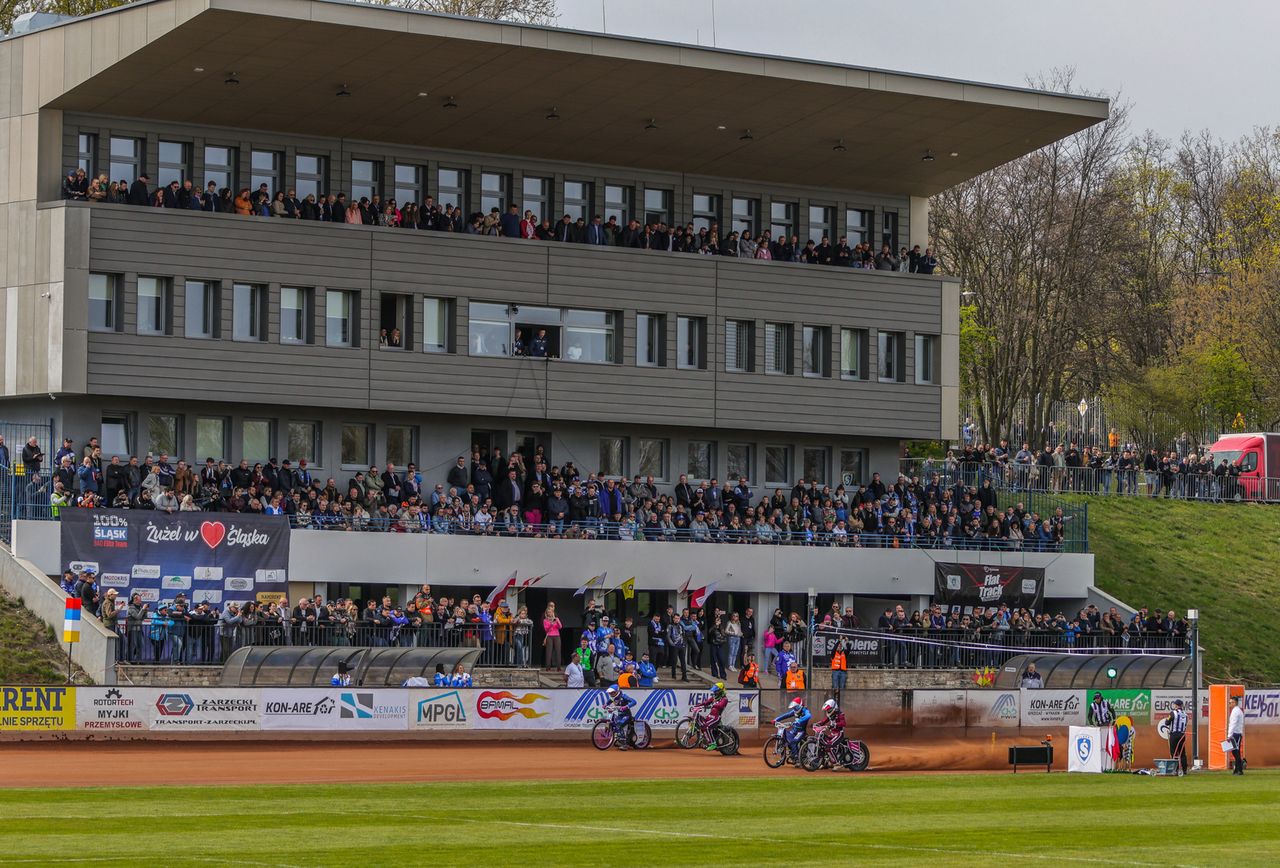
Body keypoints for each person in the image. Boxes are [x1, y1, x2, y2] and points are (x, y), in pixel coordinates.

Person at [691, 682, 730, 751]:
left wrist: (713, 704)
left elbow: (721, 705)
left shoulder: (724, 699)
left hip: (716, 718)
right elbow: (706, 703)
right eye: (714, 690)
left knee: (706, 727)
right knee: (699, 720)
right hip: (710, 716)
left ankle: (713, 743)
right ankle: (685, 738)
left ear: (720, 691)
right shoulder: (714, 698)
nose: (714, 692)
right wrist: (697, 706)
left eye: (716, 690)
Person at [773, 696, 811, 764]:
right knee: (784, 739)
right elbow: (785, 715)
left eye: (796, 707)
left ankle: (797, 758)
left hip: (801, 732)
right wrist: (776, 719)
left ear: (800, 705)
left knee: (793, 742)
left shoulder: (805, 710)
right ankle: (782, 759)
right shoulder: (794, 711)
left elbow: (808, 716)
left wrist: (799, 721)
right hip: (794, 731)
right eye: (794, 707)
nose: (794, 709)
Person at [603, 685, 638, 749]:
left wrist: (626, 706)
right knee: (613, 723)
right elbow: (609, 701)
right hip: (619, 715)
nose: (611, 694)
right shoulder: (612, 698)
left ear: (617, 691)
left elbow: (634, 701)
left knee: (619, 724)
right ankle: (618, 739)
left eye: (613, 692)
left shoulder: (623, 696)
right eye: (610, 693)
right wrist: (605, 705)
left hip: (626, 715)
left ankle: (624, 744)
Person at [1165, 699, 1188, 777]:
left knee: (1173, 752)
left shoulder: (1173, 713)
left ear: (1177, 705)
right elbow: (1185, 724)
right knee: (1182, 753)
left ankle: (1175, 769)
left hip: (1174, 735)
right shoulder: (1185, 714)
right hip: (1182, 735)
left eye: (1175, 704)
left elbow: (1167, 722)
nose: (1174, 705)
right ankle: (1184, 770)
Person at [1228, 694, 1245, 775]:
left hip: (1236, 734)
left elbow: (1233, 724)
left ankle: (1239, 770)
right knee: (1235, 752)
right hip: (1236, 733)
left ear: (1235, 703)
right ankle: (1237, 769)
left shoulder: (1236, 711)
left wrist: (1229, 735)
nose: (1229, 704)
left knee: (1236, 752)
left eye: (1230, 702)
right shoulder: (1236, 710)